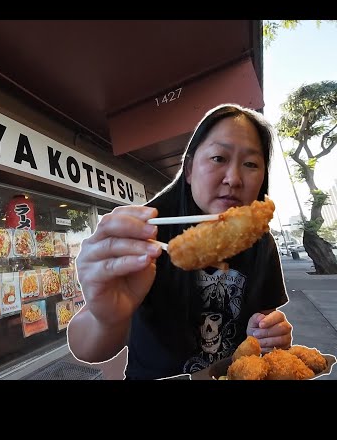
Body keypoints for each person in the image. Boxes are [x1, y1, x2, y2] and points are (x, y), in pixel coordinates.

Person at [67, 103, 292, 380]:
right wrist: (106, 318)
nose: (233, 178)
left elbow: (264, 322)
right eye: (218, 158)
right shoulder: (145, 236)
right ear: (188, 170)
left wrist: (270, 333)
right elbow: (88, 351)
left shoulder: (261, 243)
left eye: (250, 164)